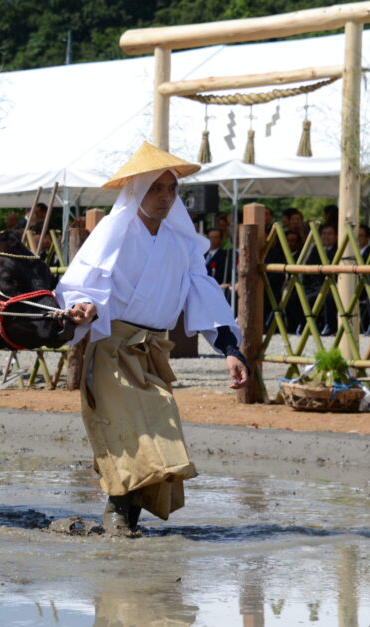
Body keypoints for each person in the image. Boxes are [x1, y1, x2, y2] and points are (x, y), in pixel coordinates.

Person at [56, 142, 248, 537]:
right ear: (137, 191)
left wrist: (230, 348)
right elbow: (83, 282)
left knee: (162, 428)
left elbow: (203, 294)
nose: (165, 197)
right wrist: (84, 306)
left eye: (171, 189)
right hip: (112, 350)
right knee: (129, 430)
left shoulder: (182, 242)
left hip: (154, 351)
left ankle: (128, 519)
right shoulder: (114, 232)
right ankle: (116, 514)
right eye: (156, 188)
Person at [204, 227, 233, 303]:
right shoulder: (202, 255)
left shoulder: (225, 256)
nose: (212, 240)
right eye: (210, 238)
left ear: (221, 239)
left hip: (217, 290)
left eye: (216, 238)